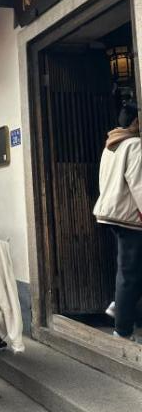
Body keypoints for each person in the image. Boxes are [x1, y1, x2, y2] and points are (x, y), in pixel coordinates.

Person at [94, 100, 142, 341]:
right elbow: (139, 183)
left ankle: (120, 306)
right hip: (129, 217)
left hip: (111, 213)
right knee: (130, 272)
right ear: (136, 121)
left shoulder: (111, 145)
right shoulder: (134, 145)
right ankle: (122, 329)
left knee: (130, 268)